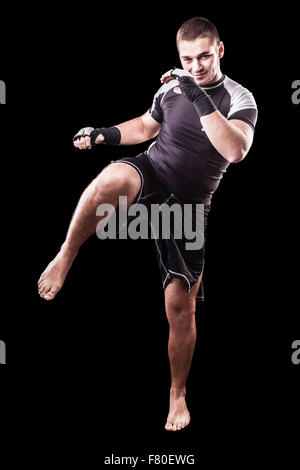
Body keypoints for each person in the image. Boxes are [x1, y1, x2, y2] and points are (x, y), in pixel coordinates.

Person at [38, 17, 258, 431]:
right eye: (187, 59)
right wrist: (105, 133)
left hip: (191, 205)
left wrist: (197, 95)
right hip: (152, 171)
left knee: (180, 306)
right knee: (112, 178)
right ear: (179, 56)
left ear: (221, 51)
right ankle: (66, 255)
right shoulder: (169, 88)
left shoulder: (239, 98)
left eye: (204, 56)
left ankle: (177, 394)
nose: (195, 67)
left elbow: (235, 149)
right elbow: (145, 126)